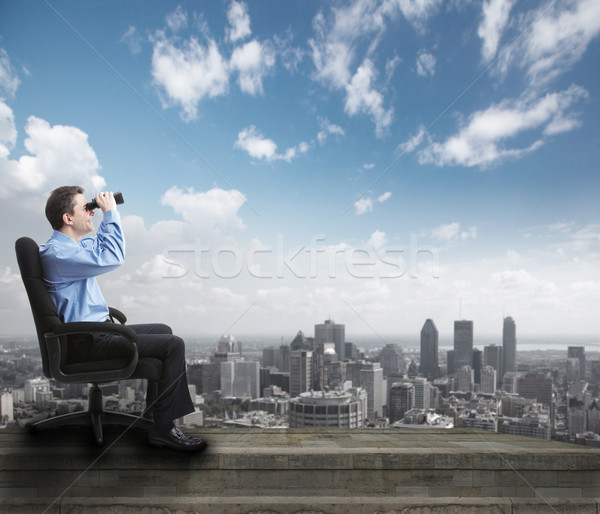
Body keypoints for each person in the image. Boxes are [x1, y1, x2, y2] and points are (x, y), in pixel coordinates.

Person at [39, 185, 207, 452]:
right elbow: (113, 257)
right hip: (86, 342)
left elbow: (99, 245)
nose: (91, 213)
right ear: (68, 218)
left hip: (95, 333)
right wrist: (111, 214)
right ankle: (163, 429)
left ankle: (154, 417)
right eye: (86, 208)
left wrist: (99, 212)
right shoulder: (60, 254)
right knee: (173, 344)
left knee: (164, 329)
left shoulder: (68, 248)